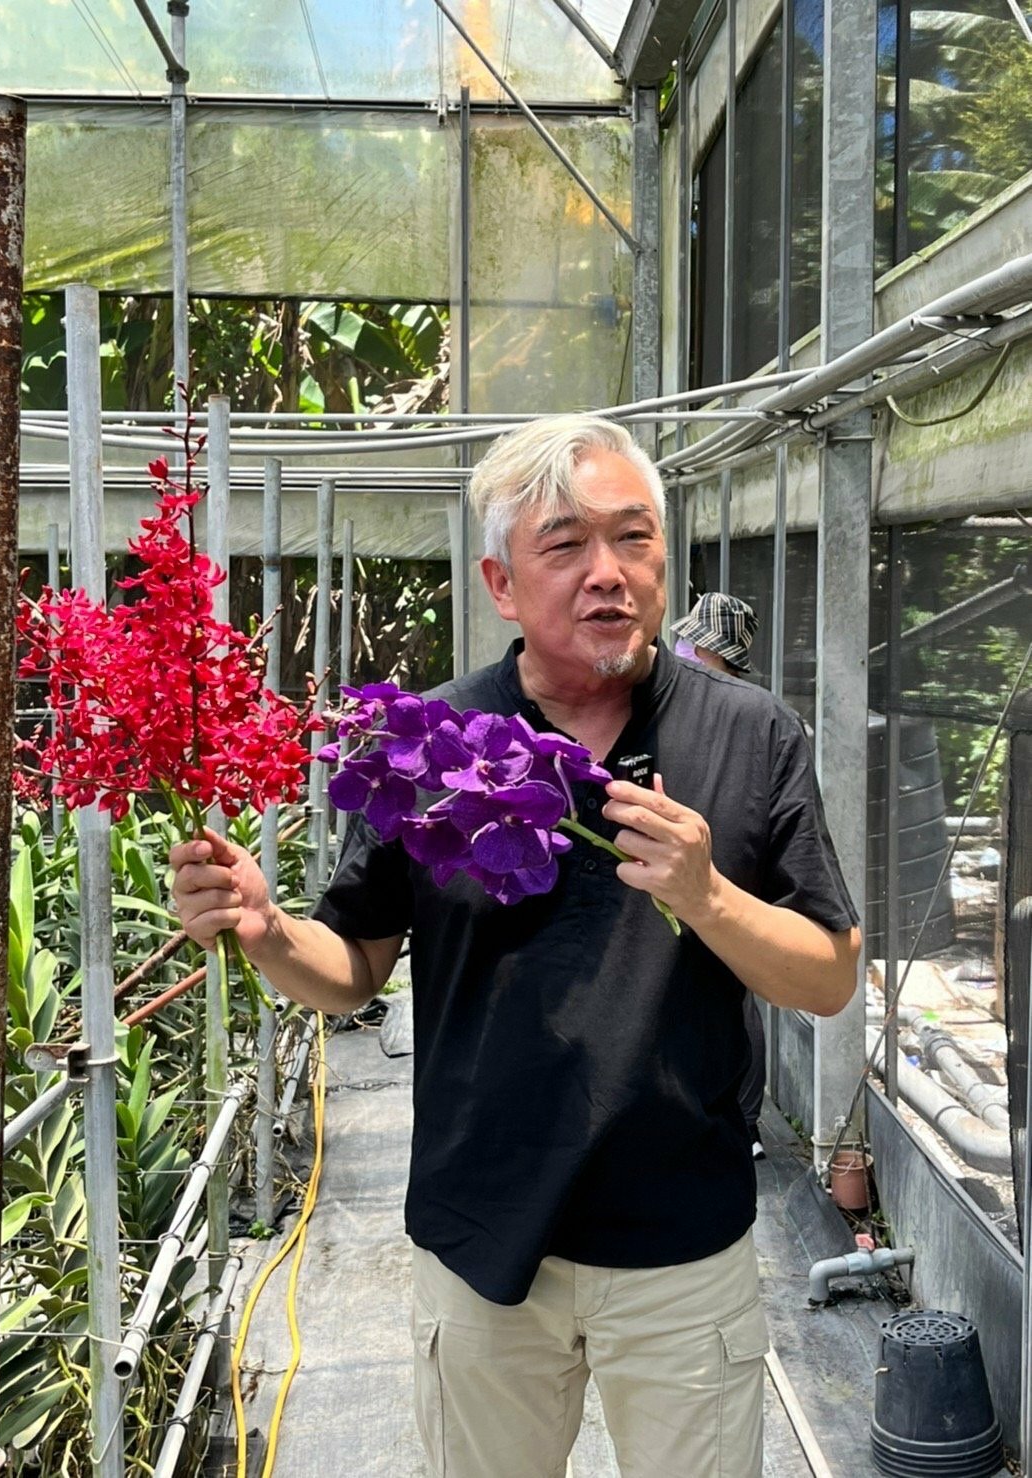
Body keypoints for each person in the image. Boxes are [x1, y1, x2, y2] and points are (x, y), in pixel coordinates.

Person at [170, 415, 860, 1478]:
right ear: (500, 582)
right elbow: (353, 968)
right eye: (565, 545)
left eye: (632, 538)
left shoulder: (749, 733)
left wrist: (707, 893)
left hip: (682, 1248)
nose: (607, 572)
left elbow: (828, 975)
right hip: (482, 1238)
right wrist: (266, 930)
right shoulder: (430, 743)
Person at [670, 592, 768, 1160]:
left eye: (693, 644)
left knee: (733, 992)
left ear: (717, 654)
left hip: (726, 872)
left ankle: (745, 1121)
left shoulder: (750, 718)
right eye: (684, 641)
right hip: (678, 870)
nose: (683, 650)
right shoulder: (678, 703)